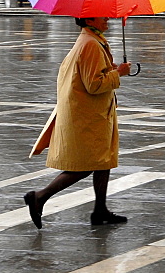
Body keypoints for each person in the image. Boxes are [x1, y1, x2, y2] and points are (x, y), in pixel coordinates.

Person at [24, 16, 132, 229]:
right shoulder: (90, 44)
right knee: (86, 165)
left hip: (96, 113)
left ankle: (100, 210)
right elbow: (93, 85)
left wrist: (110, 69)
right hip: (89, 115)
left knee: (104, 160)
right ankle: (40, 196)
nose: (108, 18)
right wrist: (118, 73)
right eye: (103, 15)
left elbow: (91, 75)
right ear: (90, 18)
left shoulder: (91, 40)